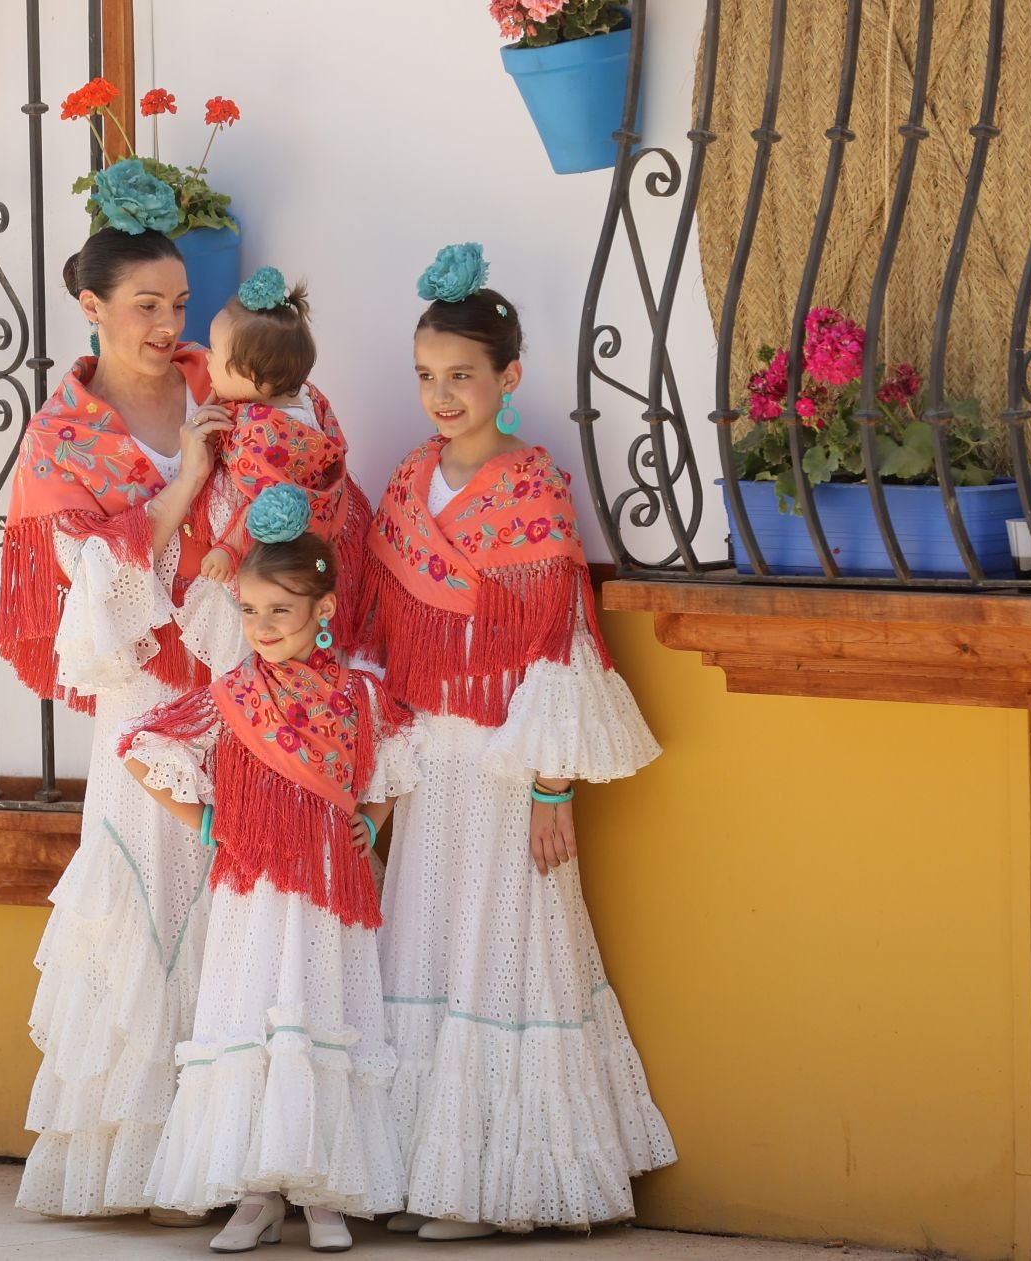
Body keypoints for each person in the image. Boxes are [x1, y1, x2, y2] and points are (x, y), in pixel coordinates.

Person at [358, 244, 674, 1238]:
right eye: (427, 376)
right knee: (425, 946)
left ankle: (497, 1186)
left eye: (463, 375)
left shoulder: (533, 488)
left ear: (510, 377)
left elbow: (558, 644)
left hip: (504, 759)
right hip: (431, 759)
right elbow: (382, 632)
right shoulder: (408, 483)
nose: (442, 395)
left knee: (504, 947)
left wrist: (551, 786)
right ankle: (423, 1170)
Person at [0, 208, 233, 1221]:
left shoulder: (219, 385)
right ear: (90, 307)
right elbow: (86, 580)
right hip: (143, 682)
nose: (167, 324)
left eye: (178, 303)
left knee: (240, 884)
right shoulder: (61, 438)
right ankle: (147, 1158)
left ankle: (239, 1150)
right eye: (144, 305)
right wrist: (188, 486)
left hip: (242, 664)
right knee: (150, 884)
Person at [121, 486, 419, 1253]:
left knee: (319, 1009)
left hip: (328, 893)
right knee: (254, 1014)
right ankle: (254, 1194)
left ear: (324, 608)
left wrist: (370, 822)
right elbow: (143, 748)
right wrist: (207, 820)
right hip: (253, 891)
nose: (262, 626)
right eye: (251, 610)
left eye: (280, 610)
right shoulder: (233, 694)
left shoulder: (357, 695)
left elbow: (394, 760)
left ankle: (324, 1194)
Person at [190, 268, 370, 653]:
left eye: (214, 351)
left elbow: (265, 506)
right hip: (323, 537)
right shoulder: (306, 397)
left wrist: (228, 549)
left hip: (271, 561)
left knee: (253, 645)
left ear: (254, 377)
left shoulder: (260, 437)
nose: (205, 356)